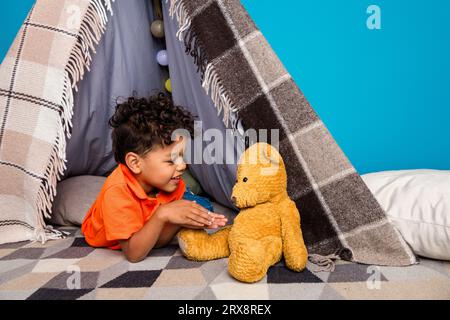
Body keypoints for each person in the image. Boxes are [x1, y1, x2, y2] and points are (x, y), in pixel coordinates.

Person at [81, 92, 228, 263]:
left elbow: (159, 240)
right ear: (136, 163)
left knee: (200, 209)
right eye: (171, 160)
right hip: (124, 236)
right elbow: (134, 254)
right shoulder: (117, 192)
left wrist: (184, 218)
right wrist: (164, 214)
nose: (182, 166)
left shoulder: (168, 181)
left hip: (156, 206)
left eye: (181, 155)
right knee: (179, 211)